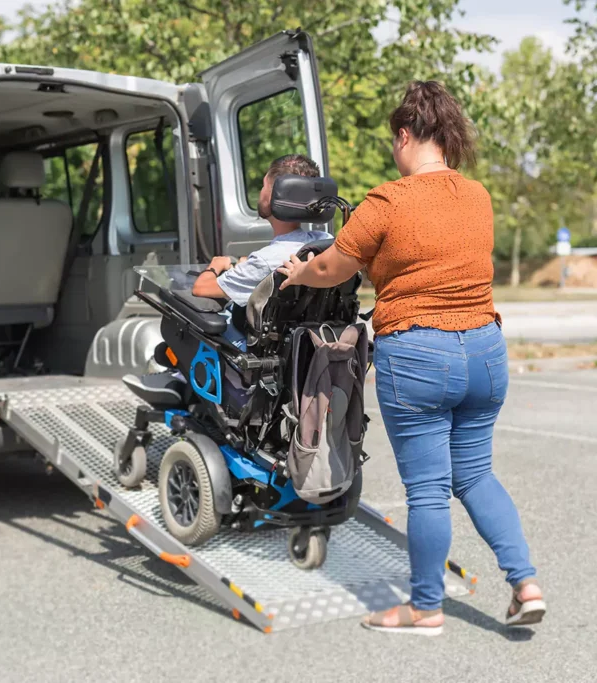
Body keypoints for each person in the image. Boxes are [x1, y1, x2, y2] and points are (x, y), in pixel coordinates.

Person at [278, 81, 544, 634]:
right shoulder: (478, 196)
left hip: (419, 352)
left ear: (405, 135)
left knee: (427, 490)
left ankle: (425, 608)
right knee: (475, 475)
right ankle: (525, 583)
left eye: (392, 141)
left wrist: (300, 272)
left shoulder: (388, 200)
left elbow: (332, 268)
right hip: (486, 353)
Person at [190, 154, 328, 350]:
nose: (261, 192)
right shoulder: (323, 242)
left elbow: (201, 288)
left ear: (276, 195)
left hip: (260, 351)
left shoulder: (266, 260)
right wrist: (246, 267)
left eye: (264, 186)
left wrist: (216, 265)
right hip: (304, 345)